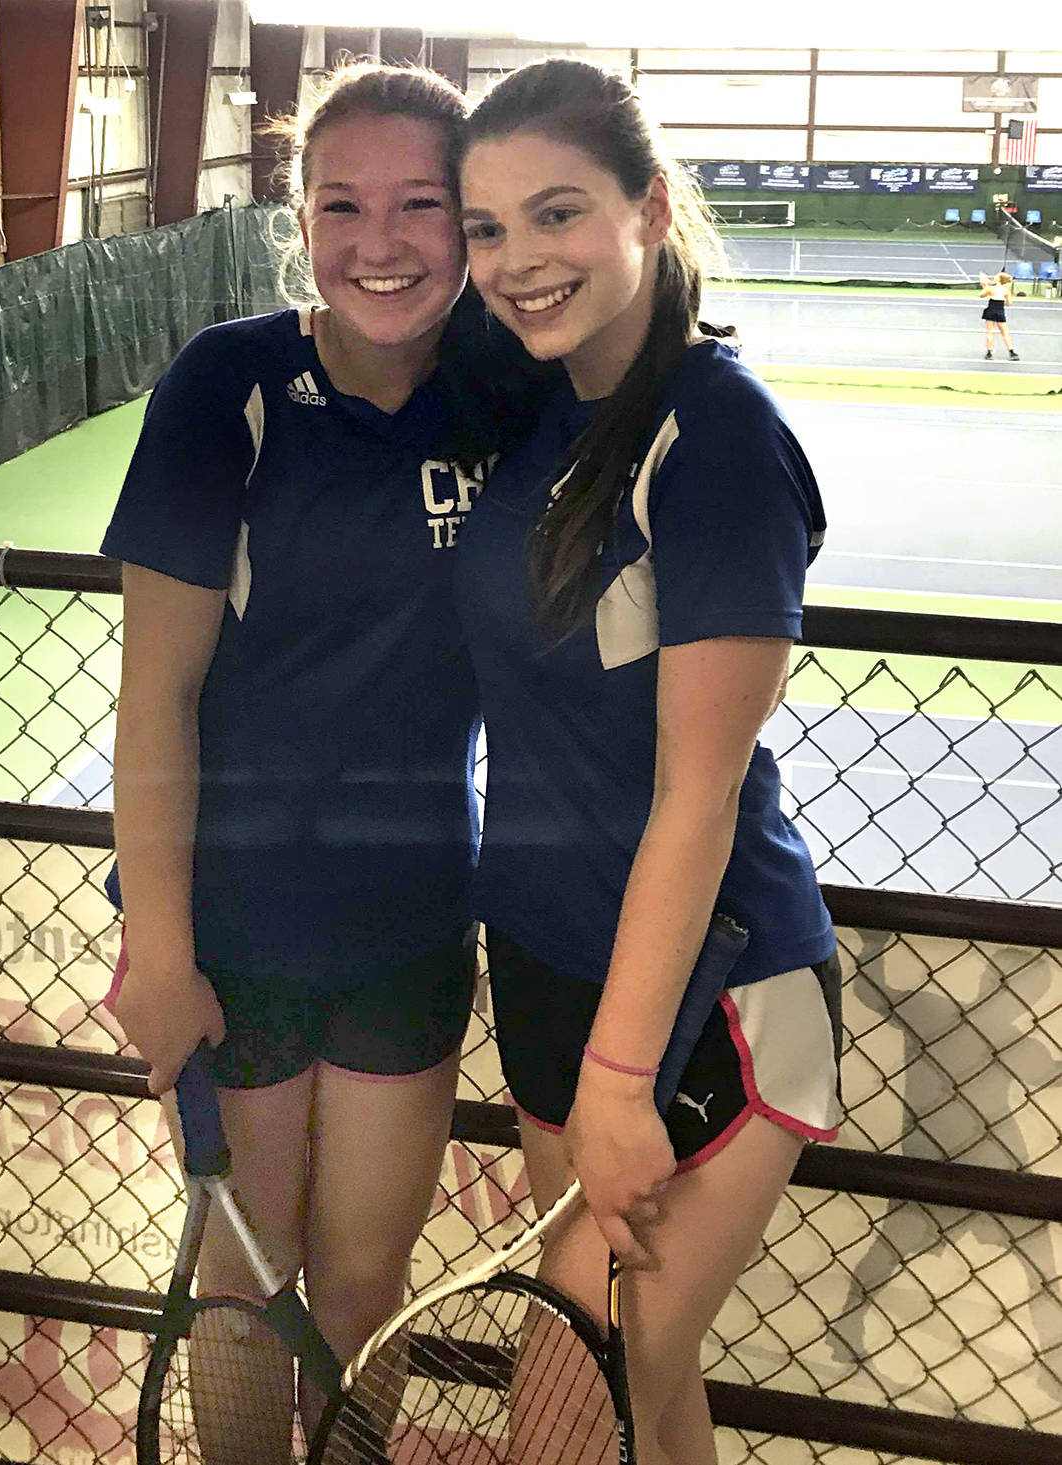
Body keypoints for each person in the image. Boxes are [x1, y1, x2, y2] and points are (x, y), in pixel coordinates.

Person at [100, 64, 530, 1459]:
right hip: (239, 932)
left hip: (411, 918)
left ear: (469, 224)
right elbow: (153, 698)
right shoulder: (227, 386)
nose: (382, 242)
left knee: (363, 1288)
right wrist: (159, 951)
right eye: (342, 205)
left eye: (421, 205)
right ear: (299, 217)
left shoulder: (503, 396)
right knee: (241, 1287)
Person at [455, 59, 842, 1463]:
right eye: (485, 228)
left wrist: (622, 1080)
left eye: (555, 215)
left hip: (705, 1007)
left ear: (648, 206)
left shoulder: (719, 439)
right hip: (555, 969)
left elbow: (697, 789)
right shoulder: (540, 412)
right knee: (653, 1403)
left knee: (557, 1425)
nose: (514, 261)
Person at [979, 270, 1020, 360]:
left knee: (990, 332)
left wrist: (985, 286)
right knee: (1005, 333)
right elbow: (1009, 304)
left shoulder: (990, 288)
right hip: (1000, 311)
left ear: (999, 280)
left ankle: (989, 353)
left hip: (990, 310)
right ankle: (1012, 352)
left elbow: (981, 295)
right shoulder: (1006, 291)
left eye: (996, 276)